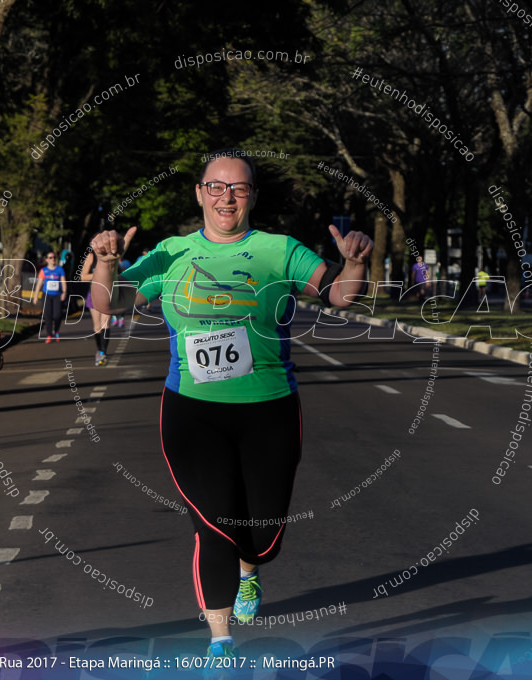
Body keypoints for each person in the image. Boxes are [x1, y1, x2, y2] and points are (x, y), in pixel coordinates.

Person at [89, 149, 373, 663]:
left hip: (269, 409)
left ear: (252, 198)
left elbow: (338, 295)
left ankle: (252, 568)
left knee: (262, 537)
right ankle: (220, 642)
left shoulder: (278, 249)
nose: (226, 197)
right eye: (215, 186)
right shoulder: (171, 253)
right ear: (199, 193)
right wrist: (107, 266)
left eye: (238, 188)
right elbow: (109, 304)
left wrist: (352, 263)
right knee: (213, 523)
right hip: (192, 411)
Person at [80, 252, 113, 365]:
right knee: (97, 326)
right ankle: (99, 351)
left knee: (106, 324)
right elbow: (83, 277)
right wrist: (99, 275)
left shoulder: (111, 256)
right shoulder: (91, 257)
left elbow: (118, 274)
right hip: (94, 294)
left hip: (108, 294)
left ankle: (103, 353)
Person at [32, 250, 67, 343]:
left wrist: (64, 292)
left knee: (57, 315)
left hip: (57, 295)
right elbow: (39, 284)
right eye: (50, 257)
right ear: (47, 259)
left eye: (54, 257)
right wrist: (35, 296)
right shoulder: (44, 270)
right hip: (47, 295)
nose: (53, 259)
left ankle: (56, 331)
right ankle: (49, 335)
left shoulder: (60, 269)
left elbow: (63, 281)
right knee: (48, 315)